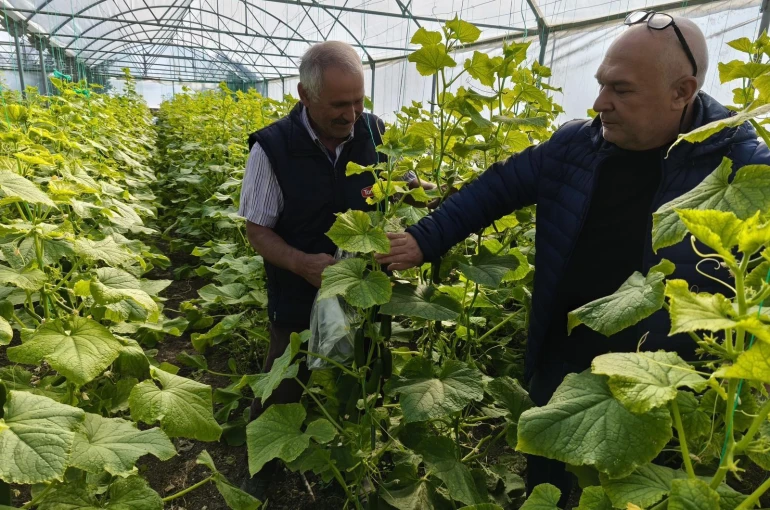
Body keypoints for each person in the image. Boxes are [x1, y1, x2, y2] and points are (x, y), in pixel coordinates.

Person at [375, 12, 770, 503]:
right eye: (602, 84)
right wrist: (425, 239)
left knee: (632, 490)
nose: (599, 103)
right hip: (562, 352)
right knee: (547, 476)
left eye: (620, 91)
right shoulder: (575, 145)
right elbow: (499, 186)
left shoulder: (745, 165)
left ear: (681, 91)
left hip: (660, 377)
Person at [238, 41, 430, 497]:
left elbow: (406, 190)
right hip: (299, 285)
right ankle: (262, 466)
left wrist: (440, 193)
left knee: (365, 372)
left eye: (359, 101)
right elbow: (257, 230)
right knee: (285, 374)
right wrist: (302, 263)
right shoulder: (272, 148)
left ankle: (357, 456)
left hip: (367, 287)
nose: (352, 114)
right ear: (305, 95)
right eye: (339, 105)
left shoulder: (376, 132)